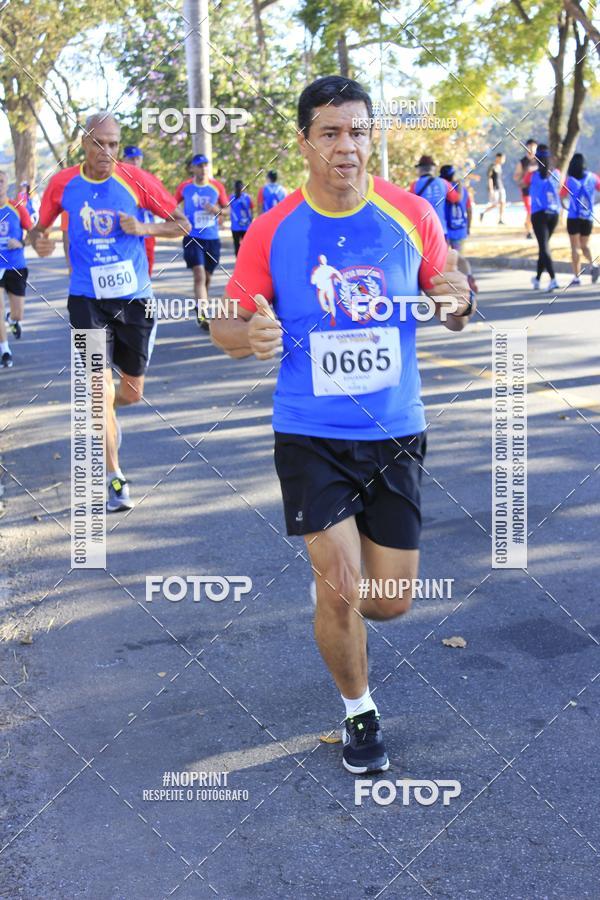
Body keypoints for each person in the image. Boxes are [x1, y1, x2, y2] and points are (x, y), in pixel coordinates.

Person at [211, 75, 474, 775]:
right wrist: (247, 336)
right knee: (339, 583)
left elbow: (450, 296)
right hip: (310, 433)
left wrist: (457, 301)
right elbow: (225, 322)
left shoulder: (411, 213)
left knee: (388, 603)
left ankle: (346, 597)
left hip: (394, 431)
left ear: (370, 137)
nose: (346, 146)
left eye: (357, 131)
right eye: (329, 133)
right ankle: (360, 711)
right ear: (304, 142)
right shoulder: (274, 228)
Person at [29, 112, 189, 511]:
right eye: (99, 143)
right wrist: (40, 241)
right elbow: (38, 230)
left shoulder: (137, 180)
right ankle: (115, 478)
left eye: (114, 144)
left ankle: (107, 417)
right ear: (84, 143)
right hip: (86, 299)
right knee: (99, 391)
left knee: (130, 394)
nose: (107, 151)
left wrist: (144, 229)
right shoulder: (63, 183)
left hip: (134, 299)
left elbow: (181, 224)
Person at [175, 153, 228, 330]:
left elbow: (227, 210)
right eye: (199, 165)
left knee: (207, 276)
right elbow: (171, 206)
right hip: (192, 236)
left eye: (206, 165)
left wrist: (216, 210)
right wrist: (181, 218)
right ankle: (203, 314)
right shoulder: (185, 187)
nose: (203, 168)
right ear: (192, 168)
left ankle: (200, 304)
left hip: (212, 238)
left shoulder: (216, 186)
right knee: (199, 275)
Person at [0, 170, 33, 367]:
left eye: (1, 181)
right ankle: (5, 351)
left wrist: (20, 242)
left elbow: (33, 232)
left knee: (18, 314)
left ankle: (12, 320)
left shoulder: (17, 208)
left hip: (15, 265)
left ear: (7, 184)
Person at [522, 143, 561, 292]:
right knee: (543, 247)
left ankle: (553, 279)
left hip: (539, 214)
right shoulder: (556, 173)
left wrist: (531, 164)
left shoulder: (532, 175)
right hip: (554, 213)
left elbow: (522, 183)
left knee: (544, 247)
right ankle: (537, 279)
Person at [560, 152, 600, 285]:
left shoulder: (569, 180)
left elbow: (562, 196)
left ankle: (577, 278)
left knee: (574, 247)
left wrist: (565, 207)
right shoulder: (593, 178)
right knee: (585, 246)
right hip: (588, 217)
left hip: (573, 217)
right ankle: (594, 265)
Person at [123, 145, 157, 277]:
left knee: (147, 271)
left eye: (138, 158)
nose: (135, 162)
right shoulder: (118, 180)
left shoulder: (150, 179)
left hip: (147, 231)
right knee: (129, 272)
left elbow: (162, 204)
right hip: (127, 233)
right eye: (131, 159)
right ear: (123, 159)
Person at [409, 155, 461, 237]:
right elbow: (456, 199)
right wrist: (459, 185)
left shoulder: (414, 185)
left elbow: (410, 207)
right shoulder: (444, 183)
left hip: (423, 231)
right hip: (440, 228)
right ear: (433, 168)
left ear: (419, 169)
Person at [440, 164, 471, 252]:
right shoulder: (463, 189)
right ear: (453, 175)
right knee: (458, 257)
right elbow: (469, 210)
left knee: (443, 258)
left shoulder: (441, 189)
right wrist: (468, 227)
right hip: (459, 229)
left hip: (444, 231)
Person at [513, 139, 538, 239]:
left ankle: (529, 226)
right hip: (526, 189)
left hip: (538, 190)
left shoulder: (540, 161)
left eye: (534, 147)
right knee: (530, 210)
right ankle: (529, 231)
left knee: (534, 211)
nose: (532, 149)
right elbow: (516, 177)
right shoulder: (522, 162)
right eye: (530, 146)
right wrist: (525, 175)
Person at [480, 152, 506, 224]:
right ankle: (483, 212)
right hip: (494, 188)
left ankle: (500, 219)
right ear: (498, 158)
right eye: (502, 159)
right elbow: (490, 178)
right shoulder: (492, 167)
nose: (503, 160)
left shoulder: (499, 167)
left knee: (503, 203)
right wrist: (491, 189)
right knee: (495, 204)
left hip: (501, 187)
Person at [229, 180, 253, 256]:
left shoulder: (231, 197)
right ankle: (245, 259)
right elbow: (251, 210)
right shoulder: (247, 197)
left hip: (236, 226)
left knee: (237, 245)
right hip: (245, 225)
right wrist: (250, 220)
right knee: (246, 245)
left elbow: (228, 210)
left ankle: (238, 260)